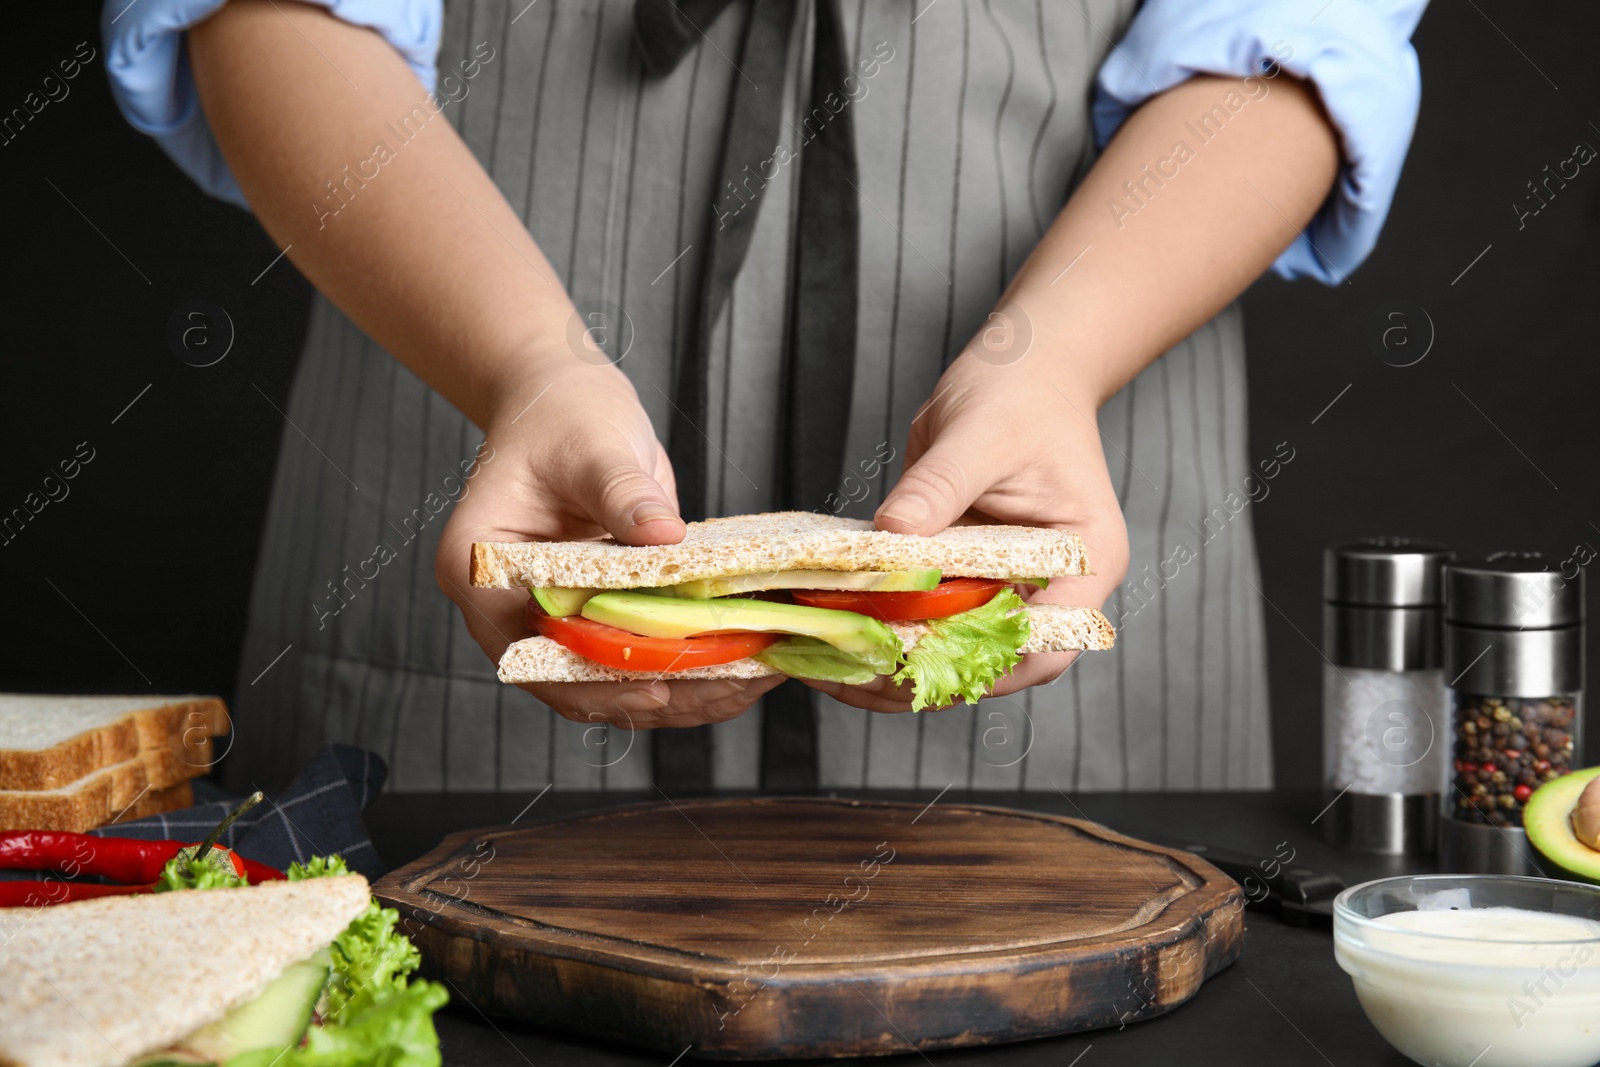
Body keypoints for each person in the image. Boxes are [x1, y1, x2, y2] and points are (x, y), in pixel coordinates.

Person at [105, 0, 1426, 794]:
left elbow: (1306, 29)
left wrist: (1059, 353)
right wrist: (525, 364)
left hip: (1088, 421)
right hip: (449, 406)